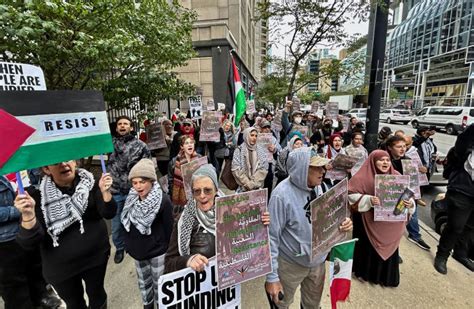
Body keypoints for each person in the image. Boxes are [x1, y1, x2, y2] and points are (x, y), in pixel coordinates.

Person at [14, 160, 117, 309]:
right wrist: (28, 215)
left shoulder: (91, 183)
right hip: (61, 270)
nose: (64, 164)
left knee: (97, 295)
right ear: (46, 168)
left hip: (95, 258)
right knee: (74, 304)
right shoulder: (36, 199)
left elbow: (109, 212)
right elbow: (29, 243)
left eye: (67, 159)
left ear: (75, 162)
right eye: (55, 162)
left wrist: (105, 192)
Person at [265, 147, 353, 308]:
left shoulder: (321, 187)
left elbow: (329, 220)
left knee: (312, 305)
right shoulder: (281, 195)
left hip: (318, 264)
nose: (322, 171)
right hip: (289, 264)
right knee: (281, 304)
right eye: (316, 167)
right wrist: (272, 278)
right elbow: (271, 237)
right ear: (301, 169)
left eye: (322, 167)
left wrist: (344, 223)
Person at [164, 164, 269, 273]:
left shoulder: (233, 212)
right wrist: (188, 260)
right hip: (199, 285)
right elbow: (169, 263)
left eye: (207, 190)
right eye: (197, 191)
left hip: (229, 283)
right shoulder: (184, 220)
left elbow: (249, 243)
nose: (202, 196)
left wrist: (259, 223)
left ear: (216, 190)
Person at [348, 150, 415, 287]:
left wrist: (409, 203)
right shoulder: (362, 177)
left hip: (392, 225)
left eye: (387, 160)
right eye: (381, 160)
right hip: (370, 224)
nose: (385, 163)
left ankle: (386, 278)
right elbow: (350, 195)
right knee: (368, 250)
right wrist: (368, 200)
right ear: (373, 161)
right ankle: (366, 274)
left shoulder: (397, 177)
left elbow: (408, 195)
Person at [0, 176, 61, 309]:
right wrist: (18, 210)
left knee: (34, 268)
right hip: (5, 240)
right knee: (14, 284)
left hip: (26, 228)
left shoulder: (15, 163)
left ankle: (41, 297)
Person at [121, 159, 173, 309]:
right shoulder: (130, 199)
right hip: (138, 252)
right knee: (144, 284)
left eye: (142, 182)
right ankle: (148, 305)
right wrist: (128, 245)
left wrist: (168, 250)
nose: (138, 186)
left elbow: (169, 228)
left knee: (160, 283)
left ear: (151, 181)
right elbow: (127, 224)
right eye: (135, 182)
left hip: (158, 252)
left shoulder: (163, 200)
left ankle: (161, 305)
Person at [108, 115, 151, 264]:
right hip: (115, 191)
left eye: (126, 123)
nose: (122, 126)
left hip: (135, 191)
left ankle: (137, 244)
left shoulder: (141, 146)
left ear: (131, 127)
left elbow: (147, 166)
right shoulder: (108, 144)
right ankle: (120, 248)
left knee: (137, 220)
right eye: (120, 123)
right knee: (116, 224)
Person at [434, 124, 474, 274]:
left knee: (470, 227)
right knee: (455, 226)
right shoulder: (466, 149)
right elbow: (463, 140)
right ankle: (442, 256)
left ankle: (461, 253)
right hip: (462, 191)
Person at [385, 135, 431, 251]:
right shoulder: (384, 159)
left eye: (404, 146)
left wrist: (414, 194)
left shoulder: (408, 161)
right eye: (399, 146)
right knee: (388, 224)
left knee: (405, 219)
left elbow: (413, 180)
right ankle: (390, 248)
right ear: (390, 147)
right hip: (388, 196)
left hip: (405, 196)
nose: (402, 149)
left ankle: (414, 236)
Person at [168, 135, 202, 219]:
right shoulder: (174, 162)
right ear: (181, 146)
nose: (190, 145)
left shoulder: (200, 159)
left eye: (191, 143)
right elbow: (171, 181)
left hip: (197, 194)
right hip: (182, 198)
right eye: (186, 143)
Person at [231, 127, 269, 192]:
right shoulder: (239, 150)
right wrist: (247, 183)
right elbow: (236, 169)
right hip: (242, 188)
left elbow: (264, 168)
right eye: (252, 135)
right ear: (246, 136)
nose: (254, 138)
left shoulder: (261, 150)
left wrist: (253, 183)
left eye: (256, 136)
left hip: (257, 188)